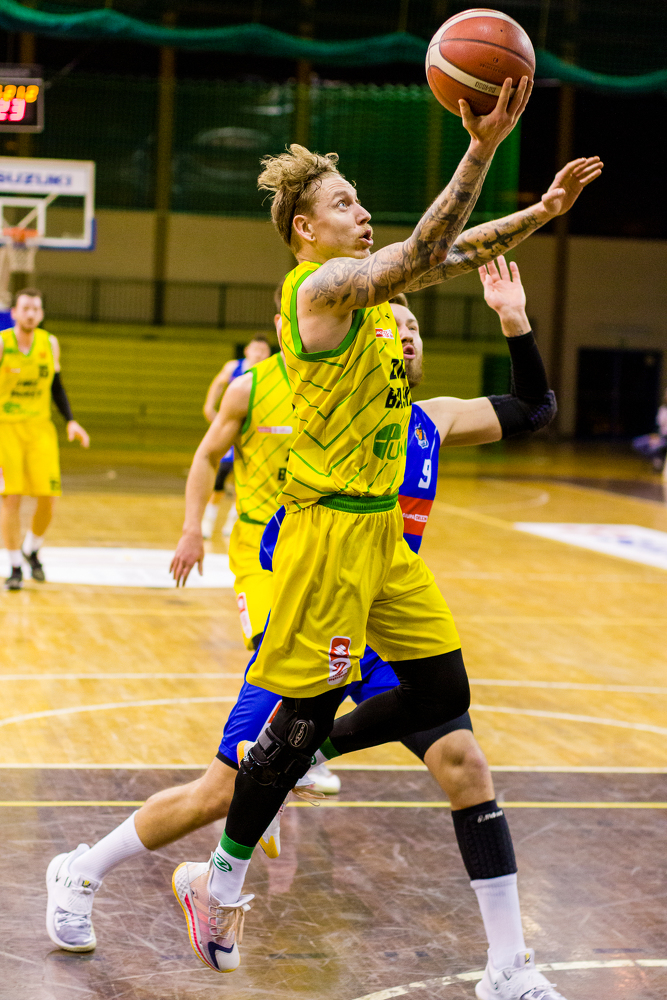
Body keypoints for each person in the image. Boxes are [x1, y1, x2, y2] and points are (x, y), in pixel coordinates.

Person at [45, 259, 566, 999]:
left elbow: (534, 408)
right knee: (220, 791)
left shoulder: (434, 419)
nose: (405, 335)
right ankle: (82, 870)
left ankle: (507, 966)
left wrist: (512, 317)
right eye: (392, 326)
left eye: (414, 328)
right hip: (315, 612)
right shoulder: (323, 411)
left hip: (386, 622)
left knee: (464, 763)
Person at [1, 287, 89, 591]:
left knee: (48, 498)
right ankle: (14, 566)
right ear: (14, 312)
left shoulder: (49, 343)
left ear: (41, 314)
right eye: (25, 308)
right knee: (11, 498)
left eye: (36, 309)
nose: (30, 314)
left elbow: (56, 386)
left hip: (40, 429)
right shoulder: (2, 343)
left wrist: (71, 420)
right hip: (6, 429)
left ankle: (32, 549)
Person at [200, 335, 272, 539]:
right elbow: (218, 384)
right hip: (232, 427)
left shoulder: (270, 370)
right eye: (256, 349)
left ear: (268, 354)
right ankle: (208, 520)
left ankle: (233, 521)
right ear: (247, 350)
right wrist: (209, 406)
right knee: (222, 473)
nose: (259, 353)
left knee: (247, 477)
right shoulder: (233, 367)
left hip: (255, 429)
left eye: (263, 350)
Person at [631, 388, 667, 473]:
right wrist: (654, 435)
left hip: (664, 439)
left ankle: (659, 461)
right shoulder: (662, 409)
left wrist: (660, 438)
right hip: (660, 436)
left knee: (654, 448)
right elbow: (658, 426)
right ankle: (657, 459)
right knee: (637, 443)